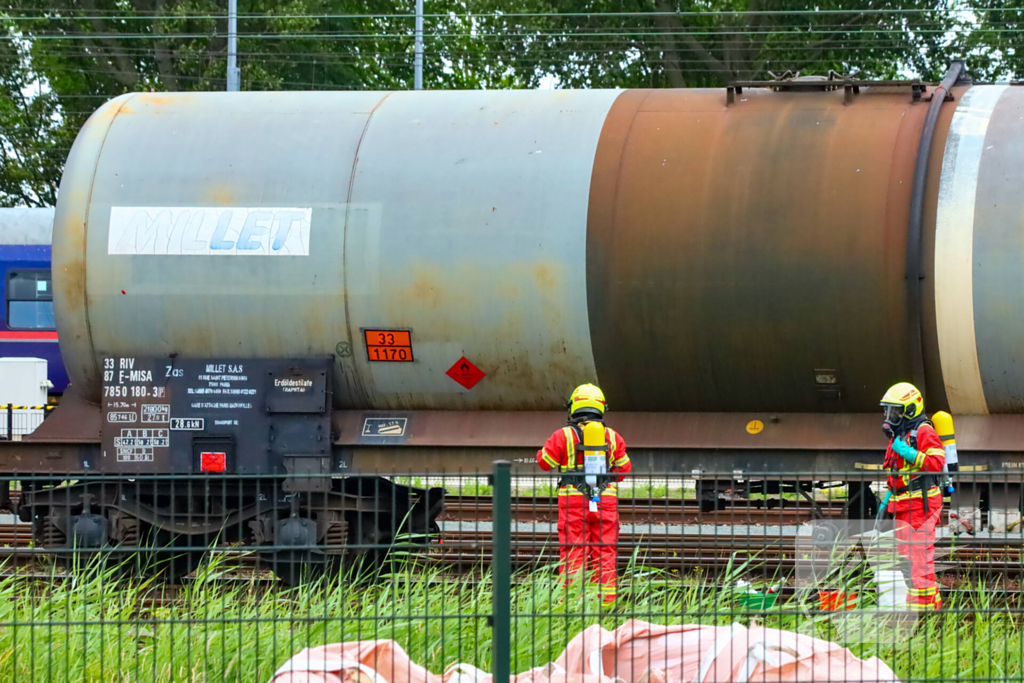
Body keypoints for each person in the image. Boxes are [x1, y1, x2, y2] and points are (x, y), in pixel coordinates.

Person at [536, 383, 631, 604]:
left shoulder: (563, 436)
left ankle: (570, 605)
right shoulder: (613, 437)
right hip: (604, 501)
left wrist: (542, 452)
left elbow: (545, 463)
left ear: (573, 408)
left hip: (573, 503)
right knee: (605, 553)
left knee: (573, 553)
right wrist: (604, 482)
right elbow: (624, 469)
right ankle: (606, 605)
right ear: (601, 408)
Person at [880, 382, 945, 611]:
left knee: (918, 557)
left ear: (910, 409)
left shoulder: (923, 431)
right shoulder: (900, 434)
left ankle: (925, 608)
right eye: (888, 410)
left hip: (920, 503)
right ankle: (921, 604)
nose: (890, 416)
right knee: (908, 558)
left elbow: (936, 463)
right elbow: (895, 473)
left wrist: (909, 452)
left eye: (895, 411)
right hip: (903, 504)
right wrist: (887, 499)